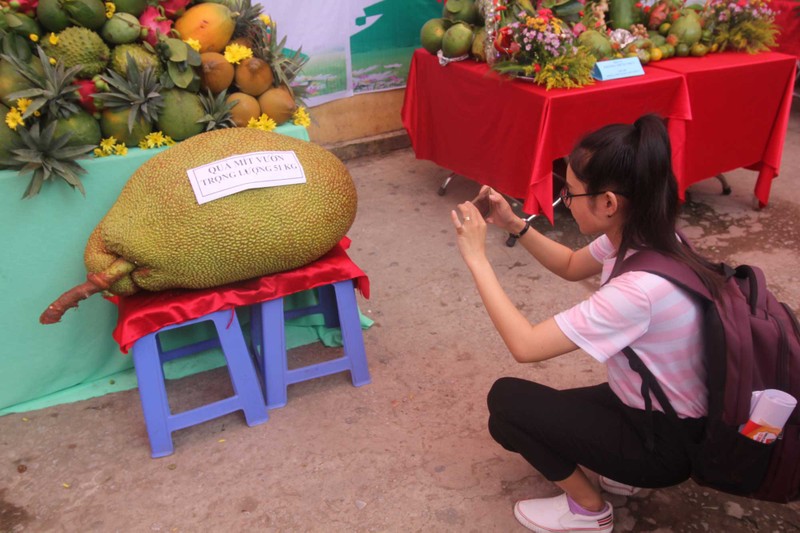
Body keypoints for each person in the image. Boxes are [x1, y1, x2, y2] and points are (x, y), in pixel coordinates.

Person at [450, 114, 724, 533]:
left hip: (666, 445)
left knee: (507, 405)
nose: (566, 200)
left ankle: (589, 510)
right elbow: (573, 265)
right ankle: (622, 470)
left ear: (609, 203)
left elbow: (525, 346)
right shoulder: (650, 238)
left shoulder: (638, 290)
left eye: (571, 192)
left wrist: (476, 257)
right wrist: (513, 224)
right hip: (671, 414)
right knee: (540, 410)